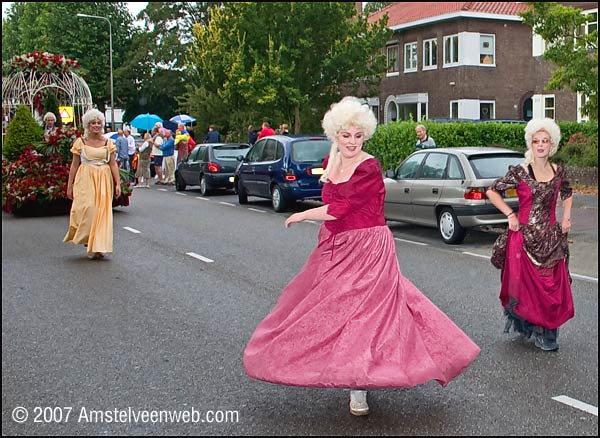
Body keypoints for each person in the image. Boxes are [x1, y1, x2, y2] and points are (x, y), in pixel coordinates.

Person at [243, 96, 480, 416]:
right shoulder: (331, 162)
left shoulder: (369, 166)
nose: (352, 142)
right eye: (346, 135)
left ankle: (360, 387)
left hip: (369, 247)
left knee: (366, 314)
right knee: (329, 309)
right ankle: (338, 368)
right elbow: (333, 199)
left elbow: (341, 207)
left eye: (358, 135)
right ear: (335, 135)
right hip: (338, 245)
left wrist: (301, 215)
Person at [486, 118, 574, 352]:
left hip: (551, 238)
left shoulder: (559, 171)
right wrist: (510, 215)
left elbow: (567, 193)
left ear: (552, 144)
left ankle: (549, 331)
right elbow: (492, 191)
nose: (541, 145)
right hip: (524, 240)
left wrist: (566, 217)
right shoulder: (520, 172)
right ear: (531, 144)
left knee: (551, 286)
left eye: (545, 141)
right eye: (536, 141)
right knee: (528, 288)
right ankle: (535, 328)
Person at [63, 108, 121, 260]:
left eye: (99, 123)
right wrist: (69, 185)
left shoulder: (108, 143)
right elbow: (74, 165)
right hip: (85, 178)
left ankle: (98, 246)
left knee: (101, 212)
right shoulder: (80, 142)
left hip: (103, 177)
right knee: (88, 208)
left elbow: (113, 164)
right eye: (93, 123)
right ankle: (88, 237)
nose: (96, 125)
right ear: (87, 125)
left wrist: (117, 184)